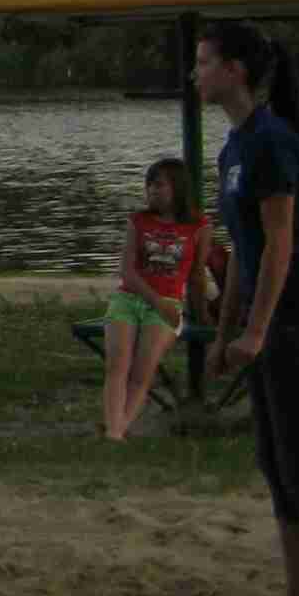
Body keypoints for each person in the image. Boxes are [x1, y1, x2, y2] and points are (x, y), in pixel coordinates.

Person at [200, 19, 299, 596]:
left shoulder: (274, 141)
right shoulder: (234, 149)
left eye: (203, 62)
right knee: (274, 459)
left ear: (234, 71)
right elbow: (243, 250)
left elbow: (282, 244)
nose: (195, 74)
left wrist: (257, 331)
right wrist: (223, 333)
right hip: (267, 319)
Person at [102, 154, 212, 439]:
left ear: (178, 188)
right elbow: (127, 271)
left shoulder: (199, 227)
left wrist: (202, 315)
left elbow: (197, 276)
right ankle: (114, 432)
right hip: (129, 299)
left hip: (169, 304)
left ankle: (118, 431)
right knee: (117, 366)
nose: (152, 190)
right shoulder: (138, 221)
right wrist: (155, 300)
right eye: (149, 184)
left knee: (143, 372)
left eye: (159, 184)